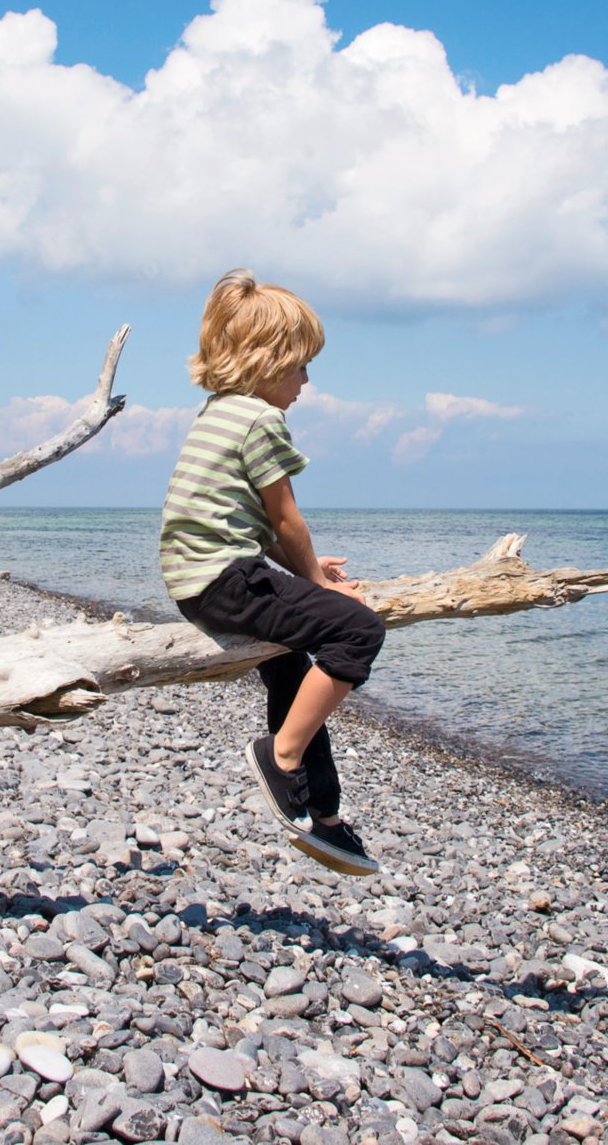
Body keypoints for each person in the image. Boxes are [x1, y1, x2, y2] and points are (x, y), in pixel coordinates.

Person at [159, 269, 386, 876]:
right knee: (358, 632)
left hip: (199, 582)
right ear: (266, 363)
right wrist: (314, 578)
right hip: (227, 579)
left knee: (294, 677)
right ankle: (279, 758)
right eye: (300, 368)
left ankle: (326, 817)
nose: (307, 382)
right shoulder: (261, 420)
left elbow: (246, 522)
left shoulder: (217, 412)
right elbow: (285, 521)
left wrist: (307, 571)